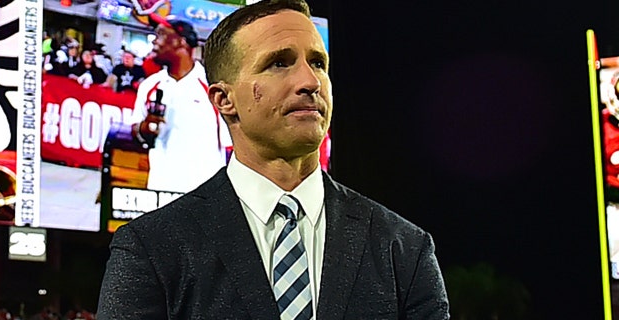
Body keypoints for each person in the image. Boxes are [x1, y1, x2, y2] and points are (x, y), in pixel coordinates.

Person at [97, 0, 450, 319]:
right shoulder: (150, 249)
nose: (310, 81)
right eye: (279, 63)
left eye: (318, 62)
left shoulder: (404, 249)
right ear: (223, 100)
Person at [127, 14, 231, 193]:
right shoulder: (150, 86)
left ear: (181, 42)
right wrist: (145, 128)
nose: (154, 41)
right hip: (161, 190)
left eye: (161, 34)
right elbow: (136, 132)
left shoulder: (213, 86)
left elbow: (231, 144)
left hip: (205, 196)